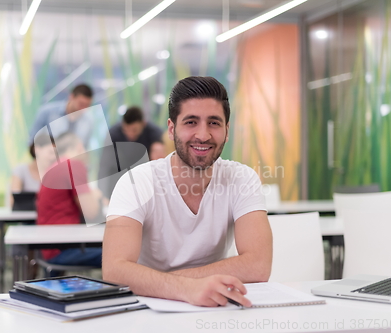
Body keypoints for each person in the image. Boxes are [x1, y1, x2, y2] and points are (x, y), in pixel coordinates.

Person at [102, 76, 273, 307]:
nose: (203, 135)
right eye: (191, 122)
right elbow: (114, 271)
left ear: (227, 129)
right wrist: (186, 288)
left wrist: (166, 282)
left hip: (214, 307)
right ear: (172, 129)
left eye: (214, 123)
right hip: (147, 310)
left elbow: (258, 265)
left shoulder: (242, 178)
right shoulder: (136, 182)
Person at [36, 133, 103, 275]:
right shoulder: (73, 165)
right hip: (63, 250)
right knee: (121, 253)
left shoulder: (55, 166)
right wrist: (96, 197)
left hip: (50, 248)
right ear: (79, 147)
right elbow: (91, 212)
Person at [98, 106, 164, 199]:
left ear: (143, 124)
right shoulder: (114, 134)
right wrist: (102, 194)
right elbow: (104, 166)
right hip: (121, 178)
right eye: (126, 130)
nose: (130, 134)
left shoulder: (154, 133)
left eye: (134, 130)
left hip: (145, 178)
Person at [28, 84, 94, 148]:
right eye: (81, 104)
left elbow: (84, 147)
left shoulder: (88, 121)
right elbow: (32, 140)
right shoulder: (47, 112)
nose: (83, 109)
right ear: (72, 97)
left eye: (87, 105)